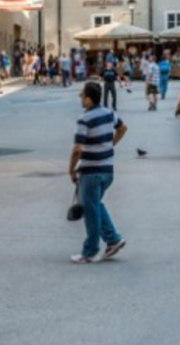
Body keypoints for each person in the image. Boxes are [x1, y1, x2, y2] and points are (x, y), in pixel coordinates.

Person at [68, 81, 128, 264]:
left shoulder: (84, 119)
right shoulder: (109, 113)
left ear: (88, 98)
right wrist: (110, 144)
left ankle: (90, 252)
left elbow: (77, 149)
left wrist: (70, 169)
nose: (80, 97)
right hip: (108, 171)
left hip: (91, 172)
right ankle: (113, 240)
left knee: (91, 211)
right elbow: (123, 128)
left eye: (81, 95)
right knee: (94, 205)